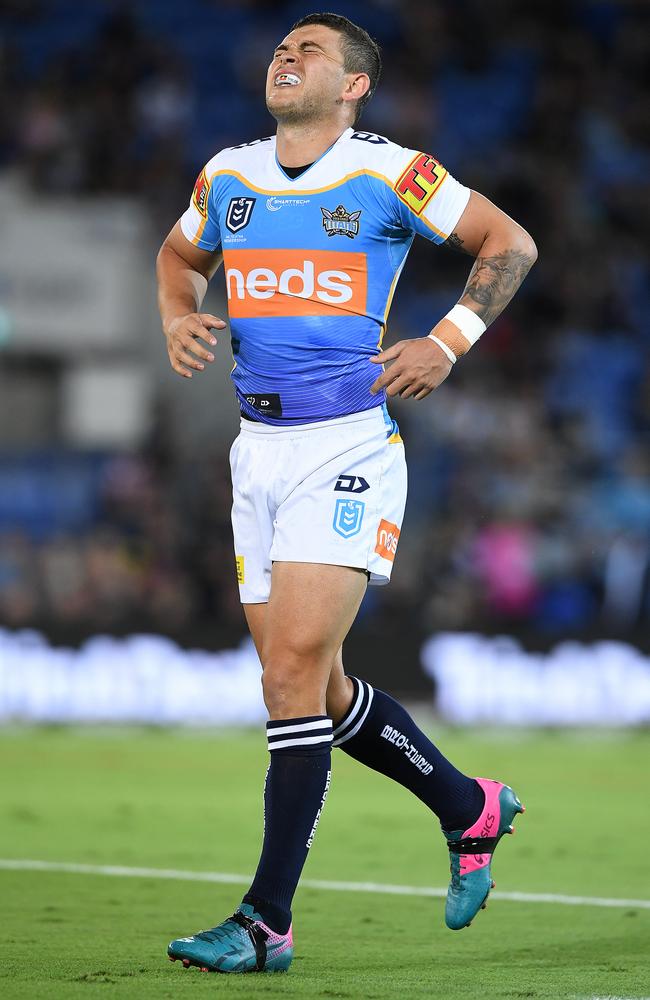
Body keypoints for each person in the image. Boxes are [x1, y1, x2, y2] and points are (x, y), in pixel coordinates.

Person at [156, 11, 536, 975]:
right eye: (280, 47)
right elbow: (177, 258)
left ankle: (266, 922)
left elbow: (510, 244)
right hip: (258, 453)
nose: (286, 56)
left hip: (346, 446)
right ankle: (469, 807)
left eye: (308, 50)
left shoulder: (389, 171)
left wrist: (446, 343)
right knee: (311, 687)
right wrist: (176, 316)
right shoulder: (228, 172)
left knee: (288, 677)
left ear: (354, 83)